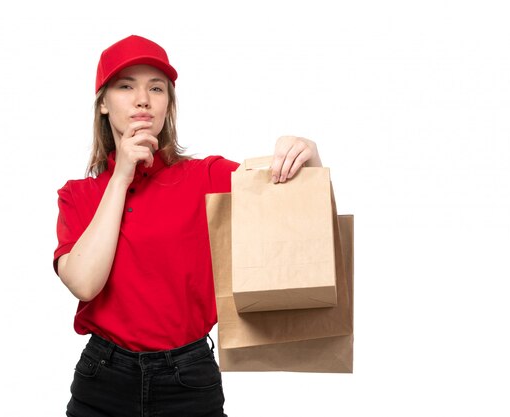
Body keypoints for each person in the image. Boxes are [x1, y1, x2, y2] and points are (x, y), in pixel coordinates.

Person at [53, 34, 322, 417]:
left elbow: (298, 218)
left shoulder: (205, 177)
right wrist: (121, 177)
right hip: (103, 379)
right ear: (102, 104)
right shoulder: (78, 195)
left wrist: (307, 156)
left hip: (188, 378)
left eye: (156, 88)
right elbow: (83, 283)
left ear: (168, 105)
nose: (142, 98)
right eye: (126, 86)